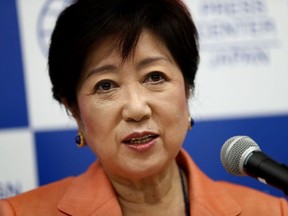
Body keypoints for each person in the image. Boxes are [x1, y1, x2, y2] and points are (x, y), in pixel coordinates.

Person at [0, 0, 287, 215]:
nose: (136, 109)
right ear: (75, 111)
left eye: (154, 77)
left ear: (186, 91)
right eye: (106, 85)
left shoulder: (273, 211)